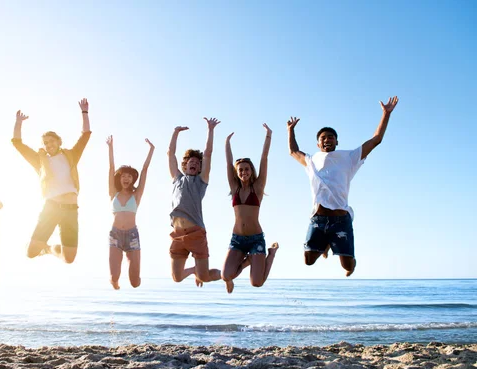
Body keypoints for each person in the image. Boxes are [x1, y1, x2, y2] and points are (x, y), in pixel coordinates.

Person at [288, 96, 399, 276]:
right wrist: (290, 130)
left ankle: (341, 254)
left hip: (341, 219)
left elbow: (376, 139)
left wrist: (386, 114)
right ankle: (325, 244)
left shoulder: (349, 157)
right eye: (323, 138)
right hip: (319, 218)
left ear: (336, 142)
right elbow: (293, 151)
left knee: (347, 267)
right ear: (318, 143)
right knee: (308, 260)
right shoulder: (311, 160)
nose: (327, 140)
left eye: (331, 137)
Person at [11, 98, 91, 263]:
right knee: (31, 253)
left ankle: (48, 249)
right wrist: (18, 122)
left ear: (59, 141)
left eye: (52, 141)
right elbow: (18, 144)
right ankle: (43, 247)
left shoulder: (71, 156)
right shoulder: (39, 161)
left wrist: (85, 112)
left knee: (69, 259)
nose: (49, 145)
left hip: (70, 210)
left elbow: (85, 136)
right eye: (45, 143)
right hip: (51, 208)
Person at [222, 123, 280, 293]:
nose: (243, 172)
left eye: (246, 169)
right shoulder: (235, 188)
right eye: (240, 170)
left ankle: (272, 253)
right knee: (226, 275)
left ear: (251, 170)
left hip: (255, 239)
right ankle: (246, 261)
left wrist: (268, 135)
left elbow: (264, 158)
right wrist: (226, 143)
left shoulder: (258, 187)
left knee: (257, 282)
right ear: (237, 172)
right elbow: (228, 163)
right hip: (237, 239)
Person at [167, 117, 222, 286]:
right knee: (176, 277)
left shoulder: (200, 182)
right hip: (177, 234)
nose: (194, 163)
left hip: (196, 233)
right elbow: (170, 154)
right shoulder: (177, 179)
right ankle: (194, 271)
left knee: (204, 276)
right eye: (191, 162)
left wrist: (210, 130)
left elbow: (208, 153)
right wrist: (175, 133)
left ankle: (226, 275)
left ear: (199, 169)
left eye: (197, 163)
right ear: (185, 166)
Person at [106, 135, 155, 290]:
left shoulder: (136, 195)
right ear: (119, 179)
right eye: (123, 176)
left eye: (129, 176)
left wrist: (151, 150)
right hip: (115, 235)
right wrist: (110, 148)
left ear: (133, 179)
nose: (126, 178)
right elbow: (111, 168)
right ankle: (114, 281)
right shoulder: (113, 192)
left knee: (135, 282)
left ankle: (135, 274)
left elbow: (145, 170)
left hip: (132, 235)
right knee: (114, 276)